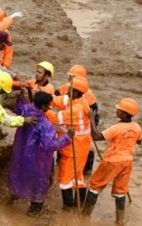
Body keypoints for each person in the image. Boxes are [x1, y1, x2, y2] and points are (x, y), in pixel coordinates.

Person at [8, 91, 72, 217]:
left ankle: (14, 194)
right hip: (38, 158)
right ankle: (35, 207)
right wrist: (67, 137)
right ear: (43, 107)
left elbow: (17, 105)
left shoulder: (24, 110)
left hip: (21, 153)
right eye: (49, 105)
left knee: (18, 172)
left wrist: (21, 93)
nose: (50, 107)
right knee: (40, 180)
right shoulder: (45, 125)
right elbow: (50, 145)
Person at [82, 98, 142, 225]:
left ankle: (84, 216)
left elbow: (96, 136)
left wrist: (91, 119)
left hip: (112, 161)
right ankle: (120, 220)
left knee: (95, 185)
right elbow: (139, 141)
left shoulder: (116, 128)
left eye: (119, 110)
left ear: (125, 114)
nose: (117, 111)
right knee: (121, 190)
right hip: (127, 161)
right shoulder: (136, 127)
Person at [47, 76, 92, 210]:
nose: (67, 90)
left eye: (70, 89)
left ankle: (68, 207)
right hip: (81, 148)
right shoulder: (80, 100)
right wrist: (45, 96)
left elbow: (56, 118)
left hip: (74, 150)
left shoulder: (77, 109)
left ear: (76, 92)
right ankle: (79, 204)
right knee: (78, 177)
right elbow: (60, 100)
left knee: (65, 179)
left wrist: (43, 109)